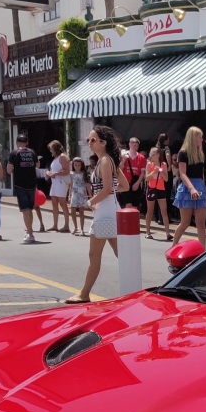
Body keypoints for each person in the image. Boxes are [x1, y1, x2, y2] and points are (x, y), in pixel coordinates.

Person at [69, 127, 122, 304]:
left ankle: (84, 294)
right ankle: (134, 288)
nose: (89, 143)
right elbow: (123, 186)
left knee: (95, 255)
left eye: (92, 140)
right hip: (109, 210)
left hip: (105, 212)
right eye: (88, 140)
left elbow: (107, 189)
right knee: (122, 253)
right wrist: (101, 199)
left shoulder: (105, 161)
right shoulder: (107, 161)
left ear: (103, 142)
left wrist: (91, 202)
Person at [172, 126, 206, 247]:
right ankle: (173, 246)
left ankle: (202, 250)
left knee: (201, 223)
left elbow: (201, 173)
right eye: (199, 137)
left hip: (200, 186)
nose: (202, 140)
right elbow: (182, 173)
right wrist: (192, 188)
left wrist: (202, 187)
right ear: (193, 138)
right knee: (185, 222)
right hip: (187, 186)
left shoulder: (200, 153)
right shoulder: (183, 153)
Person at [6, 132, 40, 243]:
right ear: (27, 143)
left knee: (25, 210)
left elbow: (9, 170)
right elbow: (38, 165)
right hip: (32, 184)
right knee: (29, 209)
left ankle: (30, 234)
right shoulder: (32, 152)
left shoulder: (14, 153)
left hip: (20, 185)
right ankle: (29, 230)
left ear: (17, 143)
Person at [144, 146, 172, 240]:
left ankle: (168, 233)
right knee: (150, 210)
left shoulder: (163, 164)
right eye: (150, 153)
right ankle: (148, 232)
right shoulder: (149, 164)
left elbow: (166, 179)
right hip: (151, 188)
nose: (151, 155)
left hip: (160, 188)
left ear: (158, 155)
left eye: (153, 154)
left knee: (164, 211)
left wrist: (161, 172)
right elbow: (147, 178)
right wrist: (153, 172)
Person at [46, 140, 71, 233]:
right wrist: (49, 173)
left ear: (56, 148)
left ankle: (66, 225)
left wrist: (55, 173)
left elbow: (67, 170)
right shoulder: (56, 158)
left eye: (51, 149)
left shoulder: (63, 157)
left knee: (62, 203)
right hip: (55, 183)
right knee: (54, 203)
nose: (50, 151)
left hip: (61, 183)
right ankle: (55, 225)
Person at [118, 136, 147, 210]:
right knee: (128, 203)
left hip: (135, 180)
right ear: (130, 144)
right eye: (134, 145)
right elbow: (120, 169)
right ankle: (127, 220)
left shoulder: (141, 157)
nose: (136, 147)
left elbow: (142, 172)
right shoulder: (124, 155)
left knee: (134, 205)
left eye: (137, 146)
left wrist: (137, 183)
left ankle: (132, 220)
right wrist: (124, 159)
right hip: (126, 182)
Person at [69, 156, 89, 235]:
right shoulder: (71, 174)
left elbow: (87, 184)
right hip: (74, 193)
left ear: (81, 165)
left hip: (82, 194)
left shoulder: (83, 173)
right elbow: (70, 185)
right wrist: (69, 195)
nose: (77, 167)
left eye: (79, 165)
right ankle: (75, 227)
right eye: (75, 165)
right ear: (73, 165)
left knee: (81, 211)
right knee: (73, 211)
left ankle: (82, 229)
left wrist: (89, 195)